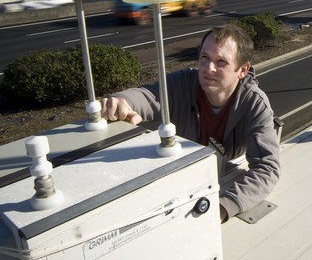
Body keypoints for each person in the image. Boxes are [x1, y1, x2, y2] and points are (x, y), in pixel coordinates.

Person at [100, 24, 280, 223]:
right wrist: (122, 101)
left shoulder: (254, 103)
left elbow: (267, 168)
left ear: (242, 70)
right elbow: (149, 95)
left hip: (219, 179)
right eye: (205, 58)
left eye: (221, 62)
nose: (208, 68)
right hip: (179, 179)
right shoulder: (183, 83)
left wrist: (223, 207)